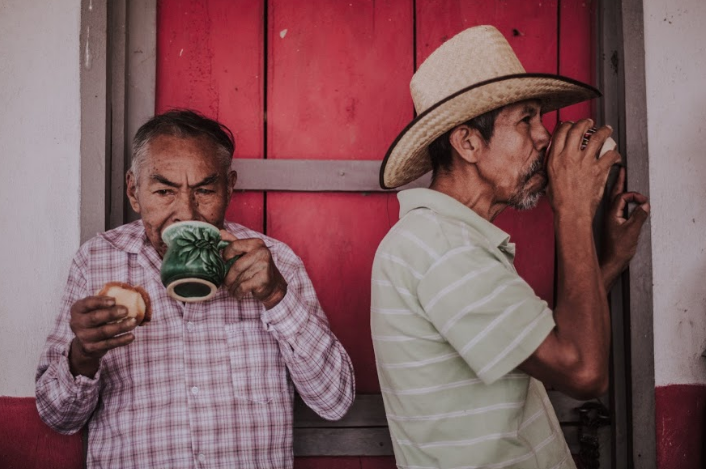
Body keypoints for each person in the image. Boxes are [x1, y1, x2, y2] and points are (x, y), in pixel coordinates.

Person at [371, 25, 649, 468]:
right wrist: (573, 210)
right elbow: (584, 372)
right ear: (467, 142)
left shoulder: (449, 240)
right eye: (526, 119)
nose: (543, 136)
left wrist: (610, 260)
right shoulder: (442, 248)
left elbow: (545, 343)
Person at [36, 109, 355, 468]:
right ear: (133, 191)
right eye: (164, 191)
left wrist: (277, 297)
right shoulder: (96, 262)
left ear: (229, 188)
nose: (185, 213)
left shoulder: (274, 262)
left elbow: (335, 400)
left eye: (204, 190)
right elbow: (58, 418)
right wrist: (83, 356)